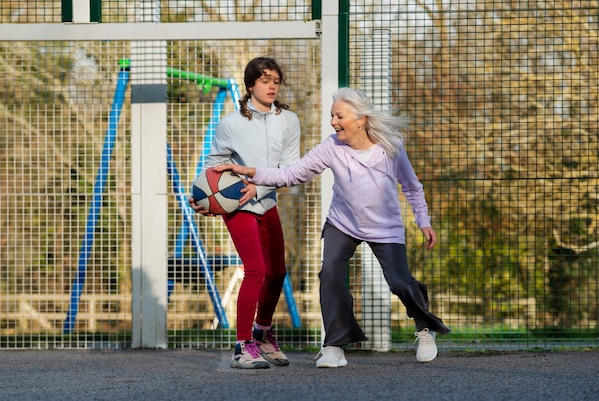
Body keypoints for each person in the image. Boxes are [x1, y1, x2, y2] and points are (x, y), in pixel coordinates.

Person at [214, 87, 451, 368]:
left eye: (339, 116)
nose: (333, 121)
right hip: (343, 223)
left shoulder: (390, 147)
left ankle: (424, 329)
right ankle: (334, 346)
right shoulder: (332, 146)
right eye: (331, 116)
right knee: (330, 275)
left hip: (385, 228)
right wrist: (254, 172)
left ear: (361, 119)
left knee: (400, 282)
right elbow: (293, 173)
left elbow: (412, 188)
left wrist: (423, 221)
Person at [189, 57, 300, 369]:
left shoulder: (289, 120)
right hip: (238, 203)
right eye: (265, 81)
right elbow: (213, 167)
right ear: (251, 85)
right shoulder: (231, 123)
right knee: (256, 270)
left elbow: (290, 167)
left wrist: (261, 187)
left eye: (276, 81)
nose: (271, 86)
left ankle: (263, 334)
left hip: (267, 200)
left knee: (277, 272)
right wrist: (202, 199)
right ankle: (242, 347)